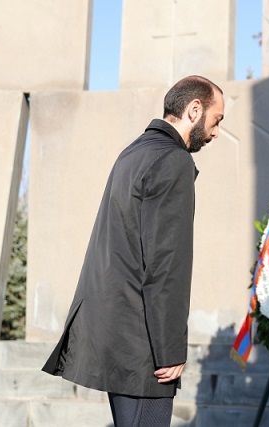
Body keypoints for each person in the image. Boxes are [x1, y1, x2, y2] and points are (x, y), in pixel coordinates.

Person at [42, 75, 225, 426]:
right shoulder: (174, 160)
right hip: (142, 343)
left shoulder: (135, 151)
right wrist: (170, 348)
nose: (216, 132)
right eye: (216, 120)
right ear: (194, 109)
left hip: (114, 328)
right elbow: (165, 264)